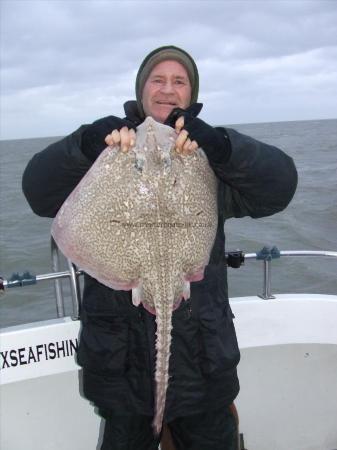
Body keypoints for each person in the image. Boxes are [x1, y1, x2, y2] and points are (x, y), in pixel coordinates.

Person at [22, 45, 298, 450]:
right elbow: (40, 194)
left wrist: (222, 146)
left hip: (202, 368)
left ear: (191, 94)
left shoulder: (207, 157)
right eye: (158, 79)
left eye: (179, 81)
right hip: (120, 369)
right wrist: (85, 145)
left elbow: (279, 187)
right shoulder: (110, 148)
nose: (168, 89)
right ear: (141, 90)